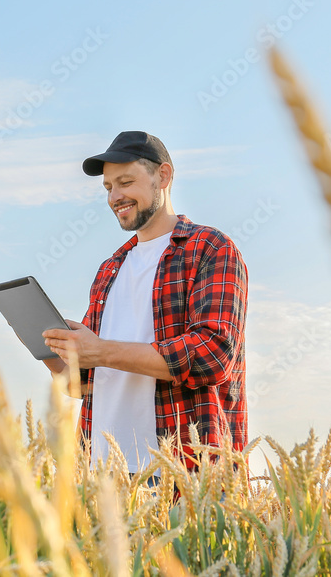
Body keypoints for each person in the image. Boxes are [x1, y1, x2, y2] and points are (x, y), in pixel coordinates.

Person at [41, 130, 248, 474]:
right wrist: (55, 354)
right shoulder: (110, 269)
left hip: (183, 471)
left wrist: (102, 350)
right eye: (108, 187)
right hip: (101, 471)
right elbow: (85, 385)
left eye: (125, 182)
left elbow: (212, 356)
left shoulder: (210, 249)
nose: (115, 196)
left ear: (162, 176)